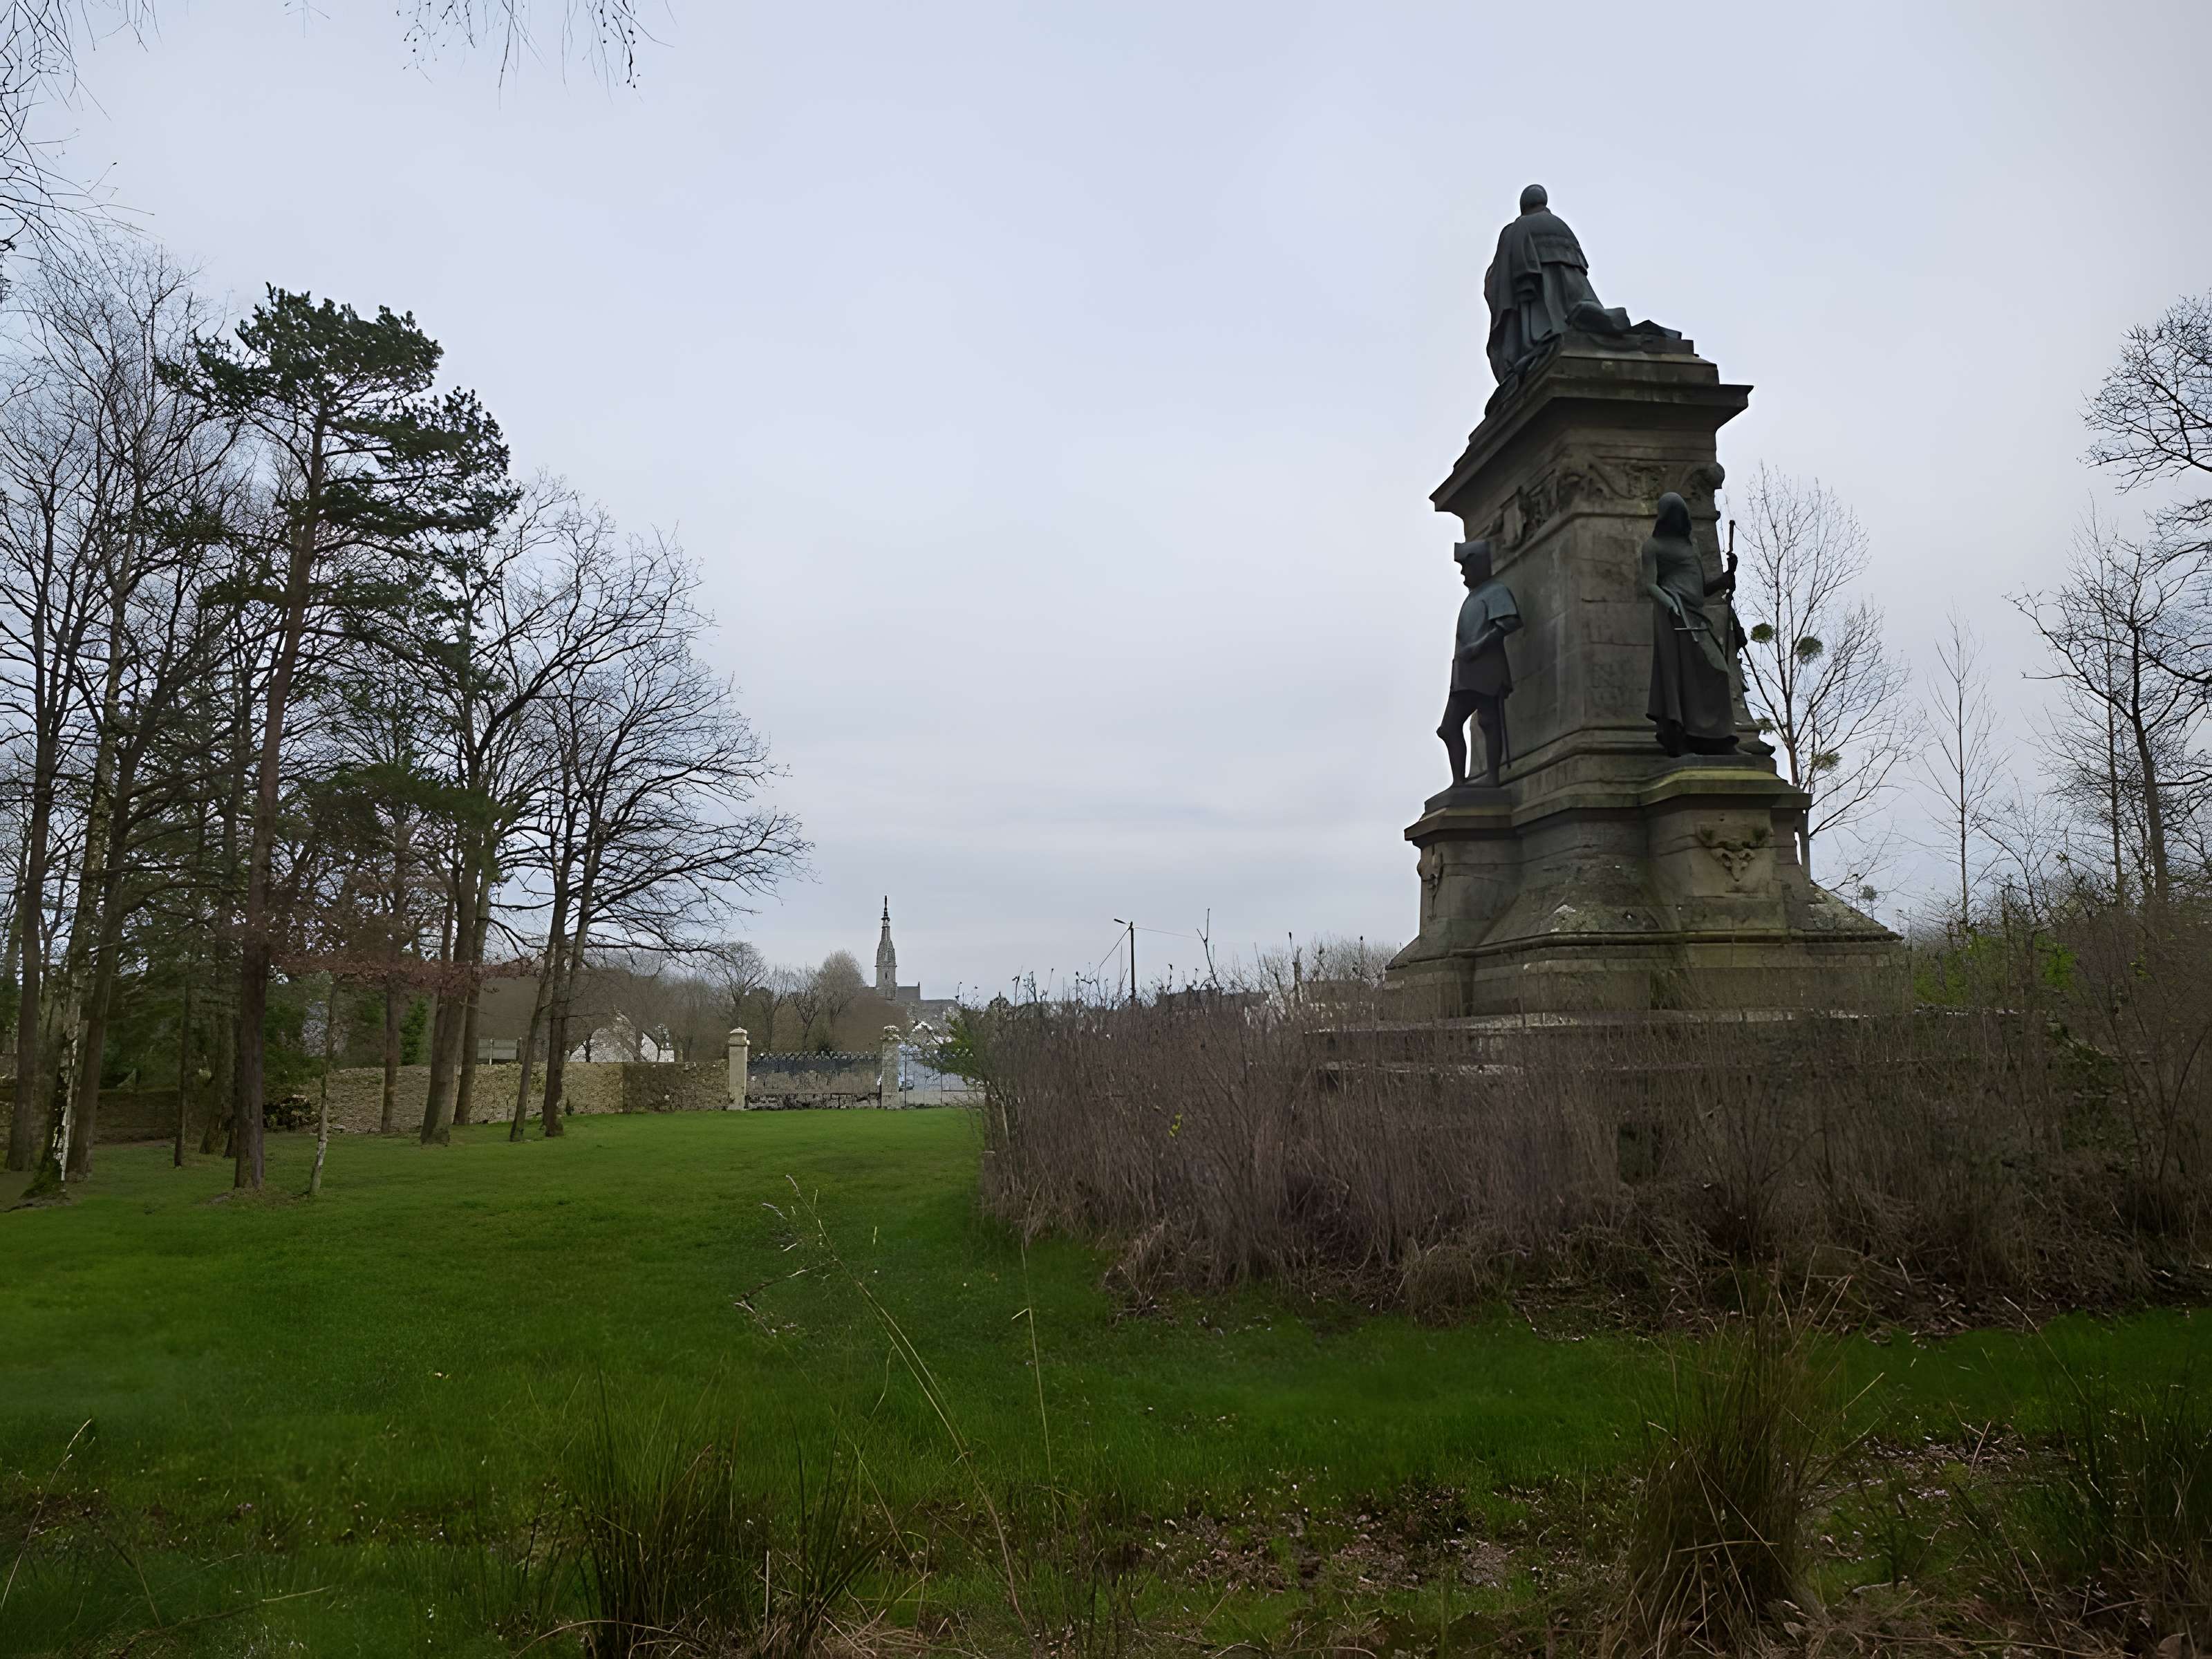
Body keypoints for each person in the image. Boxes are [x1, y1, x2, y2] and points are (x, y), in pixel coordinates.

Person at [1482, 183, 1631, 383]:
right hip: (1573, 297)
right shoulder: (1562, 226)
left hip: (1539, 310)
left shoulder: (1516, 230)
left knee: (1538, 330)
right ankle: (1586, 317)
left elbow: (1501, 281)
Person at [1640, 492, 1739, 756]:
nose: (1676, 519)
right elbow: (1649, 583)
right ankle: (1681, 735)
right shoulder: (1653, 547)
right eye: (1671, 514)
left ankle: (1719, 739)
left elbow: (1700, 587)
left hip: (1696, 615)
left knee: (1718, 670)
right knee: (1680, 674)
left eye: (1680, 513)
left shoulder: (1690, 545)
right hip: (1675, 615)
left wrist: (1725, 579)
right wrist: (1669, 602)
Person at [1437, 539, 1521, 787]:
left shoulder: (1495, 592)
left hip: (1486, 668)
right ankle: (1459, 783)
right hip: (1465, 671)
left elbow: (1509, 622)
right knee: (1448, 728)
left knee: (1488, 719)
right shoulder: (1475, 597)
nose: (1463, 573)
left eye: (1466, 567)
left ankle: (1492, 777)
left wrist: (1480, 645)